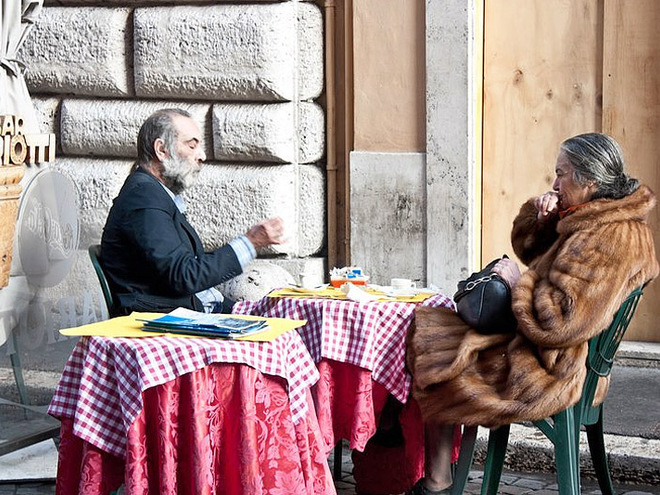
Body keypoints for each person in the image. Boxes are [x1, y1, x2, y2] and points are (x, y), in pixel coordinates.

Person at [405, 132, 659, 494]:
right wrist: (543, 222)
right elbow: (547, 263)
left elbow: (561, 320)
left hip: (556, 366)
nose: (555, 183)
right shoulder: (596, 220)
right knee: (435, 331)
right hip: (550, 351)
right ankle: (436, 476)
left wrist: (515, 283)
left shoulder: (610, 237)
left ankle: (437, 481)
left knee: (440, 356)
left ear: (589, 180)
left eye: (562, 173)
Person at [100, 108, 285, 315]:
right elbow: (184, 275)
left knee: (288, 314)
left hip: (201, 311)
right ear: (161, 150)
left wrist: (237, 311)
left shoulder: (155, 194)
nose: (202, 156)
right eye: (192, 145)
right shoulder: (143, 196)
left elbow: (186, 274)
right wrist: (250, 242)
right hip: (168, 328)